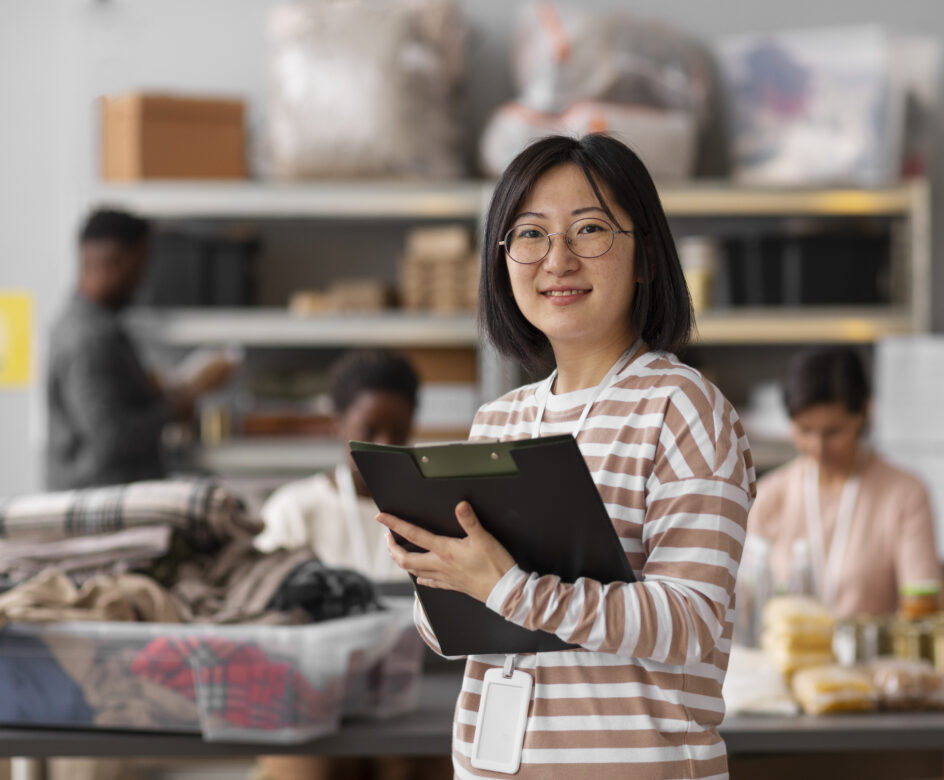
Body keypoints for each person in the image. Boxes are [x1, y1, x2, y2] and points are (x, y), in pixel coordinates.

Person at [378, 134, 755, 780]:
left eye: (590, 230)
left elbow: (689, 622)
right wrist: (437, 578)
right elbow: (453, 637)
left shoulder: (682, 406)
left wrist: (508, 588)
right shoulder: (499, 420)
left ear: (646, 259)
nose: (557, 259)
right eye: (530, 234)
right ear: (502, 258)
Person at [743, 346, 944, 620]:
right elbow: (747, 605)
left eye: (833, 432)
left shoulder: (905, 495)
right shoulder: (769, 496)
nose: (818, 447)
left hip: (871, 658)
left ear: (863, 413)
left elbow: (922, 607)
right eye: (805, 431)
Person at [47, 209, 236, 490]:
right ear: (115, 261)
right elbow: (111, 436)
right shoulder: (90, 338)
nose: (142, 281)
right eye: (140, 266)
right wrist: (176, 407)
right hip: (100, 505)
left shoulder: (92, 327)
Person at [254, 348, 416, 582]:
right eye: (369, 431)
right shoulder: (293, 511)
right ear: (338, 424)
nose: (385, 445)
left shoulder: (426, 515)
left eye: (399, 432)